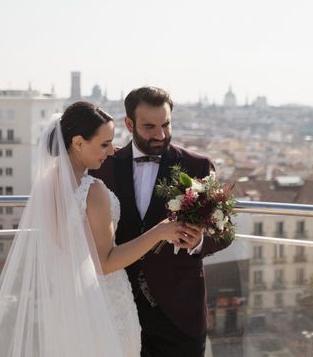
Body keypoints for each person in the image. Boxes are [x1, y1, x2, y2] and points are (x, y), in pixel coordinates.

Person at [0, 101, 190, 357]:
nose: (110, 152)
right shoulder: (92, 191)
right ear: (78, 143)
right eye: (104, 144)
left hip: (64, 305)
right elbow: (105, 262)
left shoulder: (47, 183)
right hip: (104, 303)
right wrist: (160, 231)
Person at [93, 86, 232, 357]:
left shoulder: (198, 167)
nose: (160, 134)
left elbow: (225, 233)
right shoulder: (104, 166)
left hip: (180, 314)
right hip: (121, 308)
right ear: (129, 124)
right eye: (149, 127)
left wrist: (199, 241)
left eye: (166, 125)